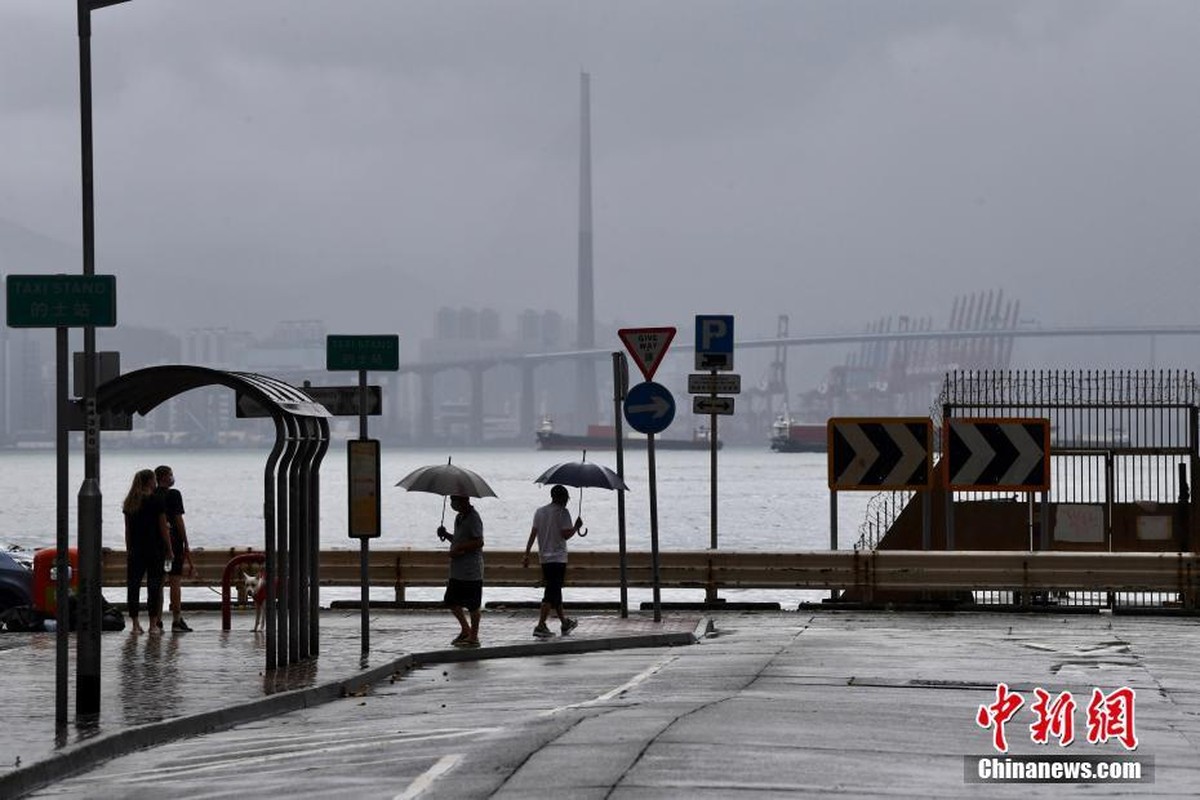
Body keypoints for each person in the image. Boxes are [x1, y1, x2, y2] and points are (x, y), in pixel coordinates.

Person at [523, 484, 582, 638]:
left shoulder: (540, 511)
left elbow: (533, 533)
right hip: (558, 558)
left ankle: (564, 622)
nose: (567, 502)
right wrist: (576, 527)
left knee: (555, 590)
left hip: (544, 558)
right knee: (551, 592)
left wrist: (527, 553)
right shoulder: (563, 512)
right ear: (561, 497)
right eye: (567, 498)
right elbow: (566, 535)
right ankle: (541, 625)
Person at [122, 468, 172, 634]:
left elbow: (127, 530)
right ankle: (152, 625)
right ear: (150, 481)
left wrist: (129, 549)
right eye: (153, 479)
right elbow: (163, 528)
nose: (155, 482)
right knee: (154, 586)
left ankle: (135, 625)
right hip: (155, 549)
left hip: (136, 550)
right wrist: (169, 549)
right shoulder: (156, 501)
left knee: (133, 586)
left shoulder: (130, 503)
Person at [439, 494, 484, 648]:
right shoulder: (459, 517)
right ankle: (466, 629)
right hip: (457, 570)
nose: (452, 503)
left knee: (473, 604)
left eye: (454, 500)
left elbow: (479, 541)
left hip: (471, 570)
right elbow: (460, 539)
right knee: (450, 600)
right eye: (451, 500)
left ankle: (474, 637)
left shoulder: (473, 518)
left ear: (464, 500)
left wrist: (459, 548)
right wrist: (446, 535)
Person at [155, 465, 195, 632]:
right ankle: (176, 620)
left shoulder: (152, 495)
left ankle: (157, 620)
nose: (172, 477)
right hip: (175, 544)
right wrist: (186, 542)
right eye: (171, 474)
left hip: (157, 544)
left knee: (158, 583)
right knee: (175, 582)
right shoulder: (174, 494)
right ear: (165, 477)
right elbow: (178, 520)